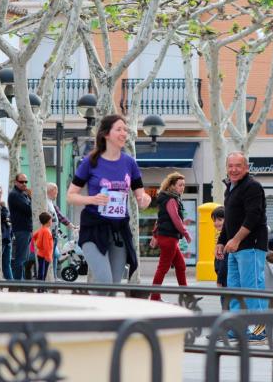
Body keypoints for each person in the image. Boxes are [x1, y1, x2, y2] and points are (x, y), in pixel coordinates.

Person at [66, 115, 151, 289]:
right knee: (105, 281)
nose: (123, 134)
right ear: (106, 134)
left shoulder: (130, 163)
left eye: (125, 130)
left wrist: (145, 200)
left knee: (114, 287)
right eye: (119, 129)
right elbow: (71, 196)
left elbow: (140, 197)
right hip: (93, 228)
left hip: (118, 230)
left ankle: (94, 314)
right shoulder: (90, 162)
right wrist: (92, 199)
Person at [215, 151, 268, 343]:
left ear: (246, 168)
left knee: (252, 286)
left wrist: (236, 239)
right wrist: (221, 242)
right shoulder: (230, 187)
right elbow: (229, 219)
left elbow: (253, 216)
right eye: (231, 166)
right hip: (234, 248)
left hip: (251, 245)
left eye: (238, 166)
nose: (234, 169)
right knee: (234, 288)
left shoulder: (252, 187)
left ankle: (260, 329)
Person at [149, 172, 191, 301]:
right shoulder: (171, 199)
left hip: (168, 237)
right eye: (180, 185)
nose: (182, 188)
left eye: (183, 185)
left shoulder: (168, 198)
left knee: (180, 266)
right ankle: (155, 298)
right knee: (163, 268)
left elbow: (160, 220)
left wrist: (155, 235)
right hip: (169, 238)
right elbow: (176, 219)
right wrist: (186, 233)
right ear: (172, 186)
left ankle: (186, 295)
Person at [46, 183, 77, 280]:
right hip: (48, 234)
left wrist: (72, 226)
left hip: (54, 234)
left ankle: (54, 276)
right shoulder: (45, 202)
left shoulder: (51, 203)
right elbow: (60, 217)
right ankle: (52, 277)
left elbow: (60, 217)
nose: (57, 195)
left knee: (55, 256)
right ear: (51, 191)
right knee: (53, 256)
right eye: (56, 193)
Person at [8, 173, 33, 280]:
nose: (24, 184)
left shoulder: (23, 194)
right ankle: (18, 283)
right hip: (21, 229)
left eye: (26, 182)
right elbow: (29, 210)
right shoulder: (15, 194)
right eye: (21, 182)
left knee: (25, 258)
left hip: (26, 229)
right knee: (20, 259)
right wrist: (32, 197)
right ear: (16, 182)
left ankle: (21, 282)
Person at [33, 212, 54, 283]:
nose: (52, 221)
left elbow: (34, 236)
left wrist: (38, 245)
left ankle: (41, 288)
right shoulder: (46, 231)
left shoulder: (42, 229)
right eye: (51, 220)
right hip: (45, 256)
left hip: (41, 254)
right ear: (48, 221)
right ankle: (41, 289)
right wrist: (48, 257)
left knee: (41, 272)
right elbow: (46, 245)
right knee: (42, 274)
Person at [0, 186, 13, 280]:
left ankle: (12, 285)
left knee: (7, 264)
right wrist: (4, 207)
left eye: (0, 193)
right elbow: (4, 217)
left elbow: (8, 218)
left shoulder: (3, 206)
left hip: (7, 238)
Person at [211, 206, 227, 289]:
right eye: (214, 220)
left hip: (225, 278)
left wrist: (219, 280)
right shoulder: (219, 236)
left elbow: (224, 262)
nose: (216, 223)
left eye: (220, 220)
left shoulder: (225, 239)